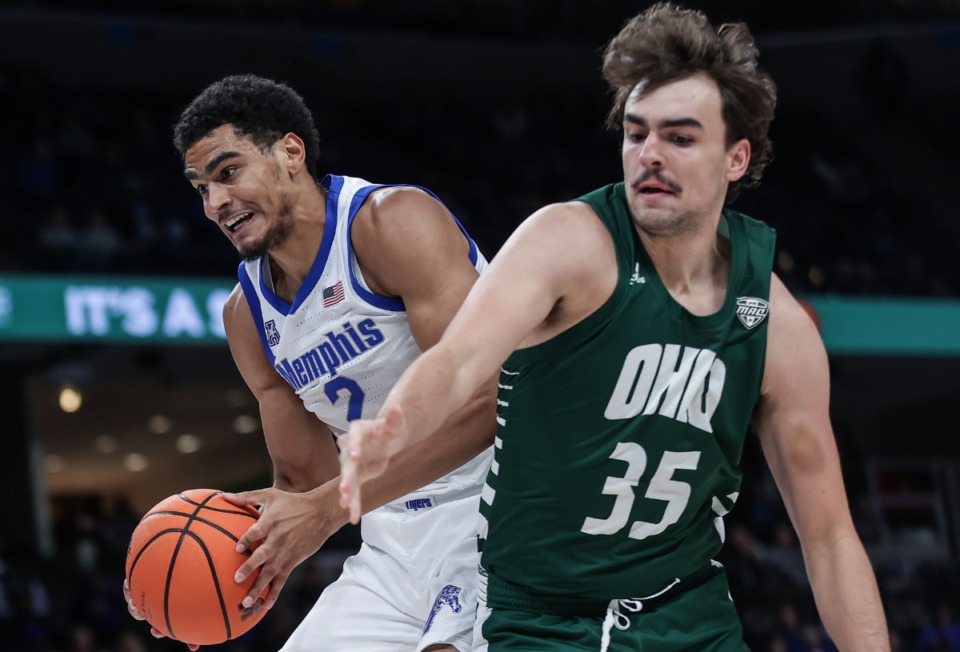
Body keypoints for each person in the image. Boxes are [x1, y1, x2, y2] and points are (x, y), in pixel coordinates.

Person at [338, 4, 890, 651]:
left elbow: (828, 538)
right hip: (536, 615)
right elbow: (459, 359)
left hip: (687, 611)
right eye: (636, 133)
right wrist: (396, 422)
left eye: (680, 138)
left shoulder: (776, 324)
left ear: (735, 159)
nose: (649, 155)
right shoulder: (567, 243)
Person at [123, 74, 497, 652]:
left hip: (499, 508)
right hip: (392, 540)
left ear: (290, 154)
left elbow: (493, 402)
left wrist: (325, 510)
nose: (215, 202)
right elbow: (303, 482)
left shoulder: (389, 224)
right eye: (200, 187)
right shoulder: (247, 316)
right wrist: (202, 578)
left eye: (228, 172)